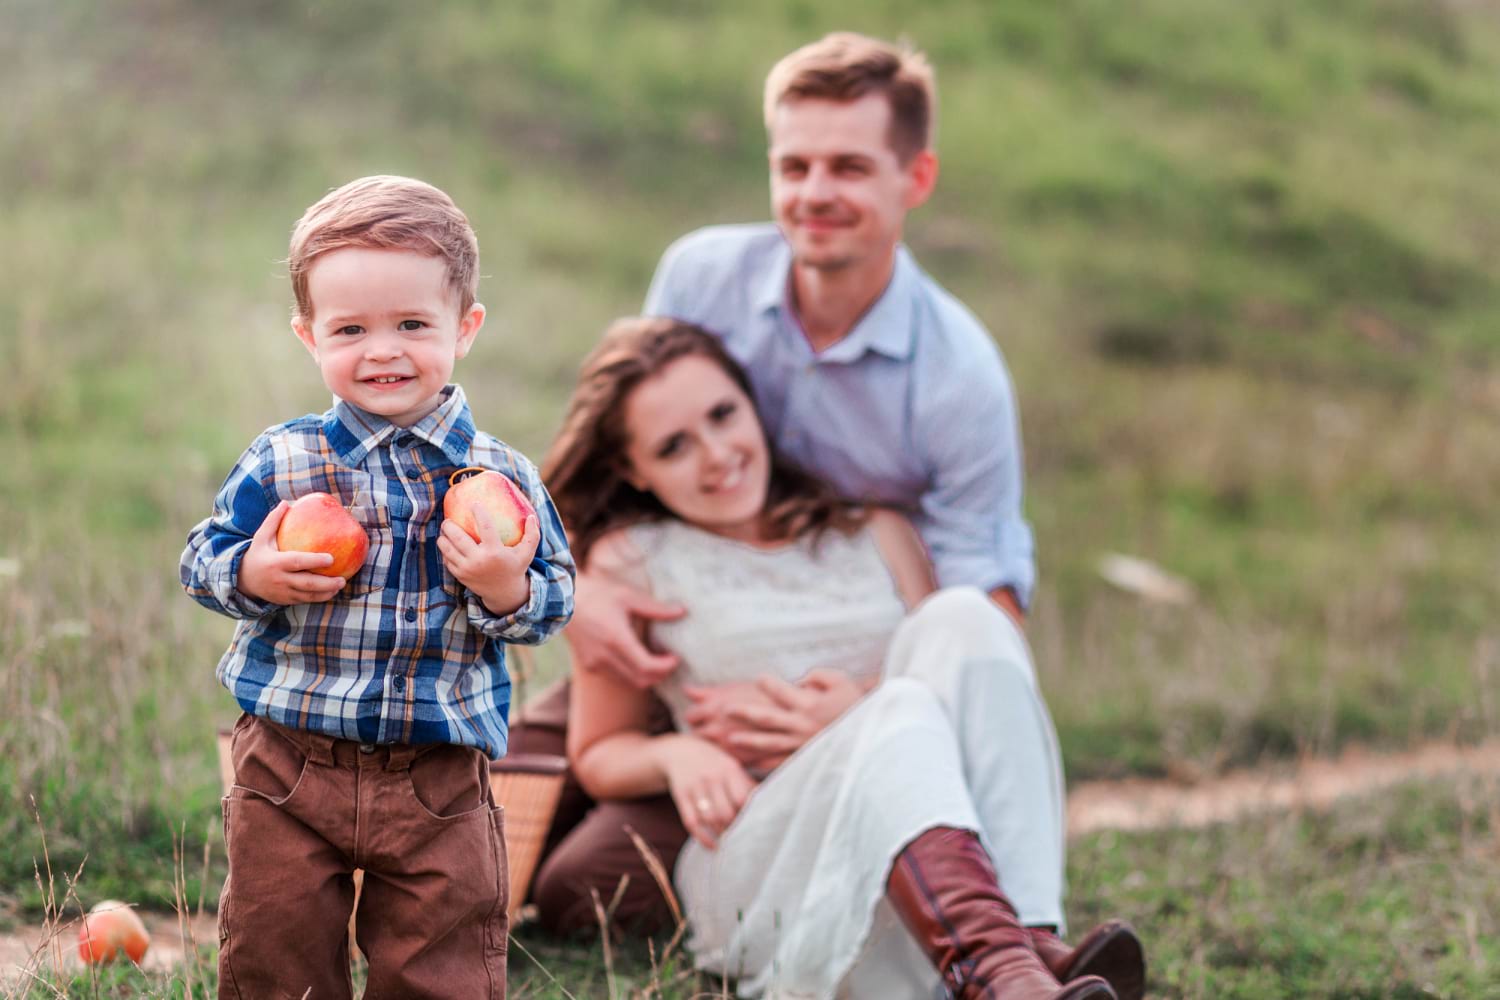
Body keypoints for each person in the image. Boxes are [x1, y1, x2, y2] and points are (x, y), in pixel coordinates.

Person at [517, 31, 1140, 996]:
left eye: (848, 166)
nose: (815, 192)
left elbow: (985, 600)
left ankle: (1025, 944)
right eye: (794, 165)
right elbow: (639, 403)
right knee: (563, 846)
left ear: (915, 178)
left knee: (957, 631)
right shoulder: (703, 283)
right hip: (717, 729)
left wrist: (869, 703)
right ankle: (1014, 968)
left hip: (872, 674)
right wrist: (579, 588)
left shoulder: (956, 379)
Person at [540, 316, 1139, 999]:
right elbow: (599, 750)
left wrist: (856, 711)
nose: (716, 454)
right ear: (632, 469)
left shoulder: (878, 531)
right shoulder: (631, 562)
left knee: (967, 616)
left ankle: (1026, 944)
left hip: (922, 850)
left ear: (752, 405)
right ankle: (1011, 970)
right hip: (766, 852)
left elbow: (955, 687)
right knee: (899, 704)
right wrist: (677, 756)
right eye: (674, 446)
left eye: (723, 415)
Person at [180, 175, 575, 999]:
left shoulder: (499, 476)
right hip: (290, 760)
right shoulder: (284, 460)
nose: (383, 350)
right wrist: (253, 572)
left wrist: (505, 585)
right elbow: (201, 560)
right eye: (351, 329)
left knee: (442, 960)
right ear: (309, 337)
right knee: (275, 948)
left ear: (465, 327)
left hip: (438, 773)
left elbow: (555, 598)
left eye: (412, 325)